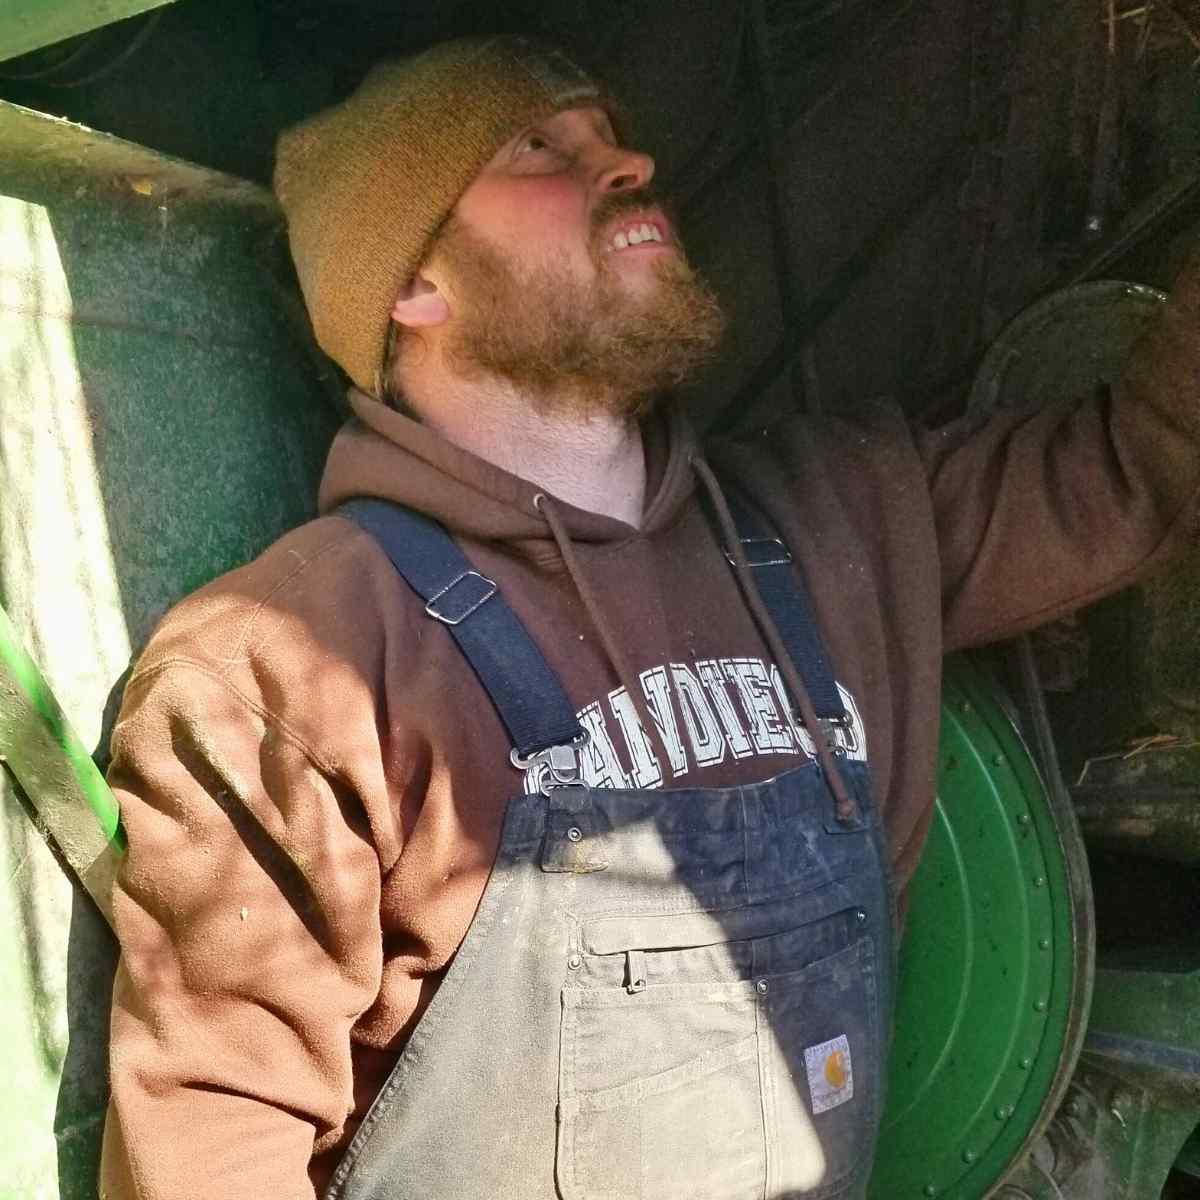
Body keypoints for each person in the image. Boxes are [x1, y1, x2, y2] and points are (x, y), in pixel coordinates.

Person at [100, 33, 1200, 1200]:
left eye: (611, 136)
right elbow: (214, 1142)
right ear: (411, 284)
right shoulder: (286, 662)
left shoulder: (851, 517)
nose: (626, 163)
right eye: (539, 147)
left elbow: (1147, 468)